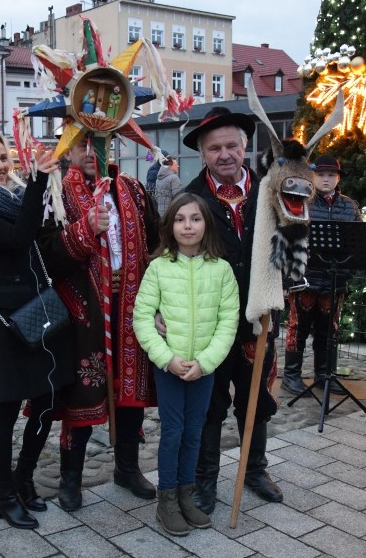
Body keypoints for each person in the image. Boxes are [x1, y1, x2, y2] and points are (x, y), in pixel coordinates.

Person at [0, 131, 74, 529]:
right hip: (5, 321)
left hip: (37, 310)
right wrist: (39, 182)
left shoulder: (11, 198)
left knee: (45, 399)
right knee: (4, 411)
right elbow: (18, 237)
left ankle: (24, 478)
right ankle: (4, 495)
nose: (2, 166)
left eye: (4, 157)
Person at [38, 136, 160, 511]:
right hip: (84, 312)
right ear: (69, 151)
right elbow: (44, 255)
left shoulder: (134, 190)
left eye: (100, 144)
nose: (91, 152)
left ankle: (127, 467)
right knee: (83, 395)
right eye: (82, 145)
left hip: (132, 308)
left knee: (130, 391)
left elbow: (156, 242)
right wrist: (83, 231)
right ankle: (71, 477)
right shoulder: (55, 192)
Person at [178, 106, 283, 514]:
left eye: (232, 146)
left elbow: (290, 246)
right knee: (210, 401)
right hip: (210, 320)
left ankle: (254, 468)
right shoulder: (191, 199)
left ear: (245, 148)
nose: (225, 154)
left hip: (259, 315)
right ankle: (205, 480)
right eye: (215, 148)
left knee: (255, 398)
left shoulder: (270, 193)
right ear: (203, 153)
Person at [134, 192, 239, 535]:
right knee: (173, 432)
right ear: (170, 226)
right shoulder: (159, 268)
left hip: (203, 368)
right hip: (171, 367)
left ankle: (186, 494)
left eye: (195, 218)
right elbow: (142, 319)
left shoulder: (221, 270)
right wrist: (166, 359)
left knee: (195, 432)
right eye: (180, 219)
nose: (188, 225)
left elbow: (228, 321)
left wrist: (206, 362)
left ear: (206, 224)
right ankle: (166, 500)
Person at [281, 154, 361, 396]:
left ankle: (325, 375)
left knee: (330, 330)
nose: (326, 179)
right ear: (312, 177)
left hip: (334, 280)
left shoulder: (350, 206)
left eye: (331, 175)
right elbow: (288, 241)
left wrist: (348, 272)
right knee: (298, 328)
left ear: (338, 178)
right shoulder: (300, 203)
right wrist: (288, 277)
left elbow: (357, 243)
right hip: (305, 279)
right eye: (320, 174)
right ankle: (291, 376)